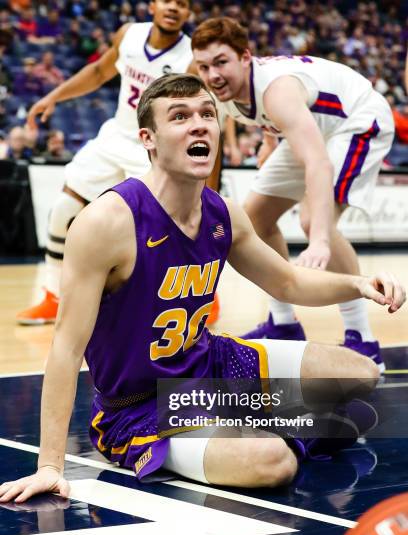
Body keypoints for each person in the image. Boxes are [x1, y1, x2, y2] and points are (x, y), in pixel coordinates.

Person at [0, 74, 404, 503]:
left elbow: (287, 280)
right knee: (274, 463)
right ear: (148, 139)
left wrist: (357, 283)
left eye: (207, 114)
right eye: (180, 116)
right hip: (143, 404)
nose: (199, 124)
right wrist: (50, 464)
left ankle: (257, 419)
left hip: (212, 365)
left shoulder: (223, 213)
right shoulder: (107, 222)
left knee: (361, 374)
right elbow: (65, 345)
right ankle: (272, 428)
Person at [192, 18, 396, 371]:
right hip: (311, 126)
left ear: (245, 57)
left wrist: (318, 239)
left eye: (221, 62)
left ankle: (363, 338)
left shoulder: (277, 90)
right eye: (204, 66)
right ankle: (284, 323)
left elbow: (317, 160)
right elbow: (271, 118)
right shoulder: (221, 91)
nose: (212, 74)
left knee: (314, 221)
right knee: (253, 220)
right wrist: (270, 142)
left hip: (357, 120)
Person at [16, 0, 193, 326]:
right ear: (152, 5)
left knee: (162, 235)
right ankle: (54, 296)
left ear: (188, 13)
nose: (174, 8)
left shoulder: (192, 57)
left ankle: (193, 298)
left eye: (182, 4)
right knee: (63, 209)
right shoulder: (129, 34)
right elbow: (99, 72)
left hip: (153, 149)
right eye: (168, 0)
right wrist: (54, 96)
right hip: (115, 136)